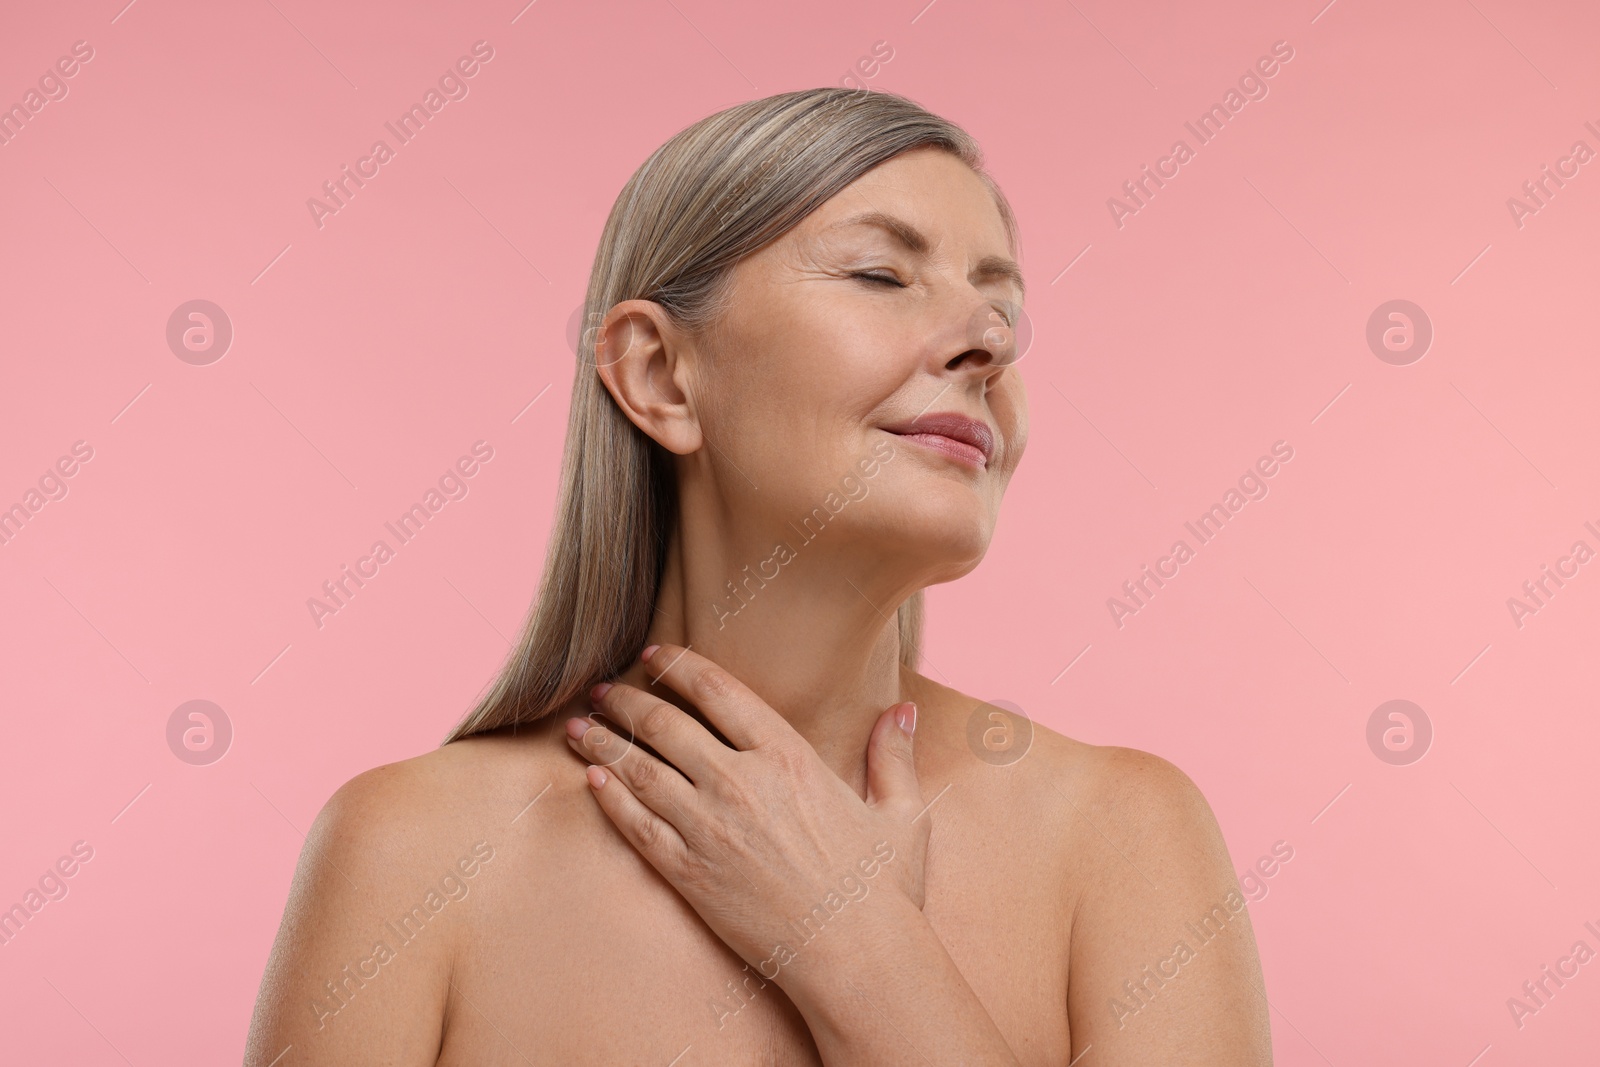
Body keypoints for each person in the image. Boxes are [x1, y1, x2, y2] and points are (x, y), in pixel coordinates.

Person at [245, 86, 1272, 1065]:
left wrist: (860, 951)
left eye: (1001, 307)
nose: (988, 343)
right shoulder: (408, 858)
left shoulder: (1123, 837)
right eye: (881, 274)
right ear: (657, 374)